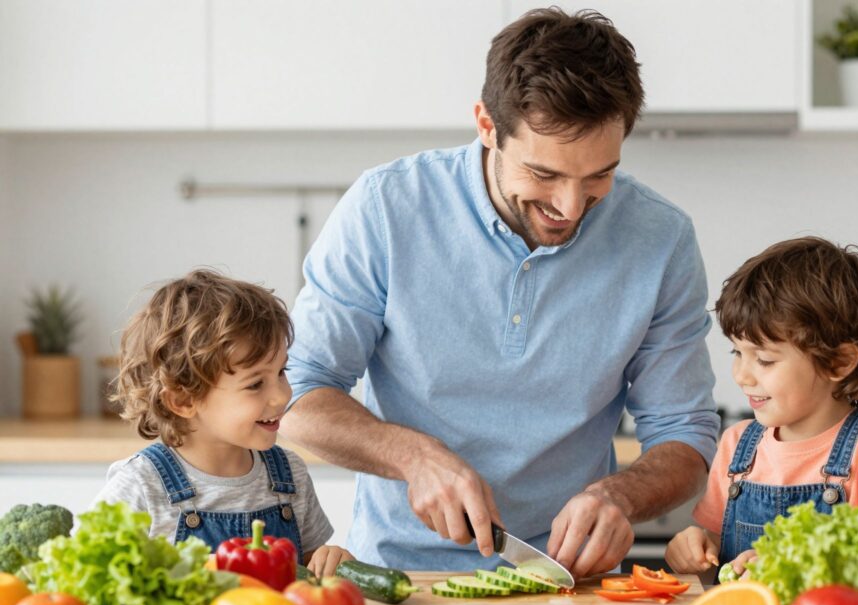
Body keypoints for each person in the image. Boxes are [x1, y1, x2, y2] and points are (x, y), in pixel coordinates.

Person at [282, 8, 719, 575]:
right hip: (398, 577)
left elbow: (684, 434)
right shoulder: (386, 208)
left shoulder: (660, 238)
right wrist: (411, 456)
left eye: (598, 177)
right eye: (544, 175)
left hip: (569, 581)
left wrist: (622, 495)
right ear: (487, 126)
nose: (569, 207)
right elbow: (297, 394)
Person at [665, 237, 858, 578]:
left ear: (839, 362)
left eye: (764, 360)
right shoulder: (738, 445)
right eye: (737, 353)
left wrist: (801, 567)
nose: (741, 375)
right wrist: (697, 545)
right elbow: (721, 547)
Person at [94, 270, 350, 578]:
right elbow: (93, 576)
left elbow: (310, 569)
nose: (282, 395)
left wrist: (331, 558)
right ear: (184, 401)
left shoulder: (290, 475)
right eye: (256, 384)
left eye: (281, 372)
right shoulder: (140, 486)